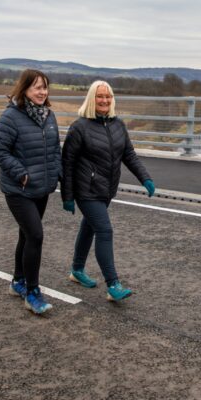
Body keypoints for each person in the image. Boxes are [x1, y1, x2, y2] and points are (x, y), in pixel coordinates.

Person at [61, 80, 156, 302]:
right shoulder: (79, 127)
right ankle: (113, 284)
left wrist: (145, 178)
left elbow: (129, 155)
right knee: (104, 230)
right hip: (86, 189)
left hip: (106, 189)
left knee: (89, 227)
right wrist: (67, 197)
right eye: (99, 96)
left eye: (108, 96)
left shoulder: (118, 125)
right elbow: (67, 163)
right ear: (91, 99)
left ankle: (76, 270)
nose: (104, 100)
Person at [0, 69, 62, 315]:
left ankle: (17, 282)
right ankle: (32, 292)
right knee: (36, 235)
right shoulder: (11, 117)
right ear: (24, 90)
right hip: (18, 189)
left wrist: (59, 176)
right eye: (36, 87)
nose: (42, 92)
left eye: (45, 87)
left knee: (26, 235)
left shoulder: (49, 116)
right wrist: (22, 173)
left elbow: (55, 151)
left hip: (41, 188)